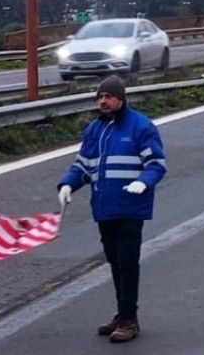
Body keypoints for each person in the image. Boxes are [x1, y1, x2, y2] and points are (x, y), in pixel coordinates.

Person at [57, 75, 167, 343]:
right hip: (104, 207)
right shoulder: (94, 130)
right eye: (100, 97)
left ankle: (129, 319)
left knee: (127, 262)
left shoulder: (140, 126)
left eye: (108, 96)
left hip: (130, 208)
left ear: (121, 98)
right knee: (114, 261)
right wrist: (68, 184)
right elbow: (83, 166)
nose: (103, 101)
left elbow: (156, 164)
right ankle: (122, 313)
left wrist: (144, 182)